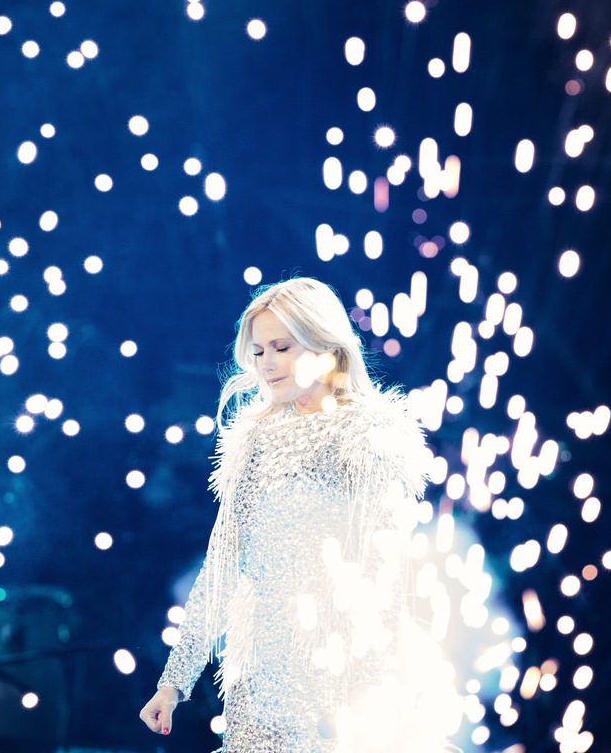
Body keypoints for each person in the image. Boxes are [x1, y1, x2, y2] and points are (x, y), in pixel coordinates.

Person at [139, 277, 455, 752]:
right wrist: (173, 683)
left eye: (280, 347)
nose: (266, 364)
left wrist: (371, 698)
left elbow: (385, 583)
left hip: (339, 685)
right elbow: (222, 567)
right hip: (259, 685)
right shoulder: (255, 440)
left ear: (324, 345)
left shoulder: (367, 438)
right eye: (260, 351)